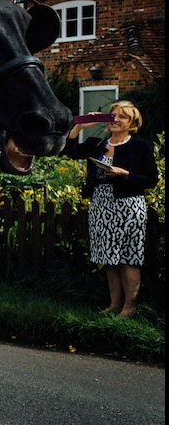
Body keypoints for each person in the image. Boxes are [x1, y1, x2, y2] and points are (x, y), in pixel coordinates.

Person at [65, 100, 159, 318]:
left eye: (122, 117)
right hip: (101, 205)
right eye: (112, 116)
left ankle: (129, 307)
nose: (115, 120)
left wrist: (124, 174)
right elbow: (68, 151)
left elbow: (151, 179)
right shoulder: (97, 144)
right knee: (109, 258)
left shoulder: (140, 146)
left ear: (132, 123)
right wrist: (79, 126)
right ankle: (114, 304)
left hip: (128, 206)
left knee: (129, 258)